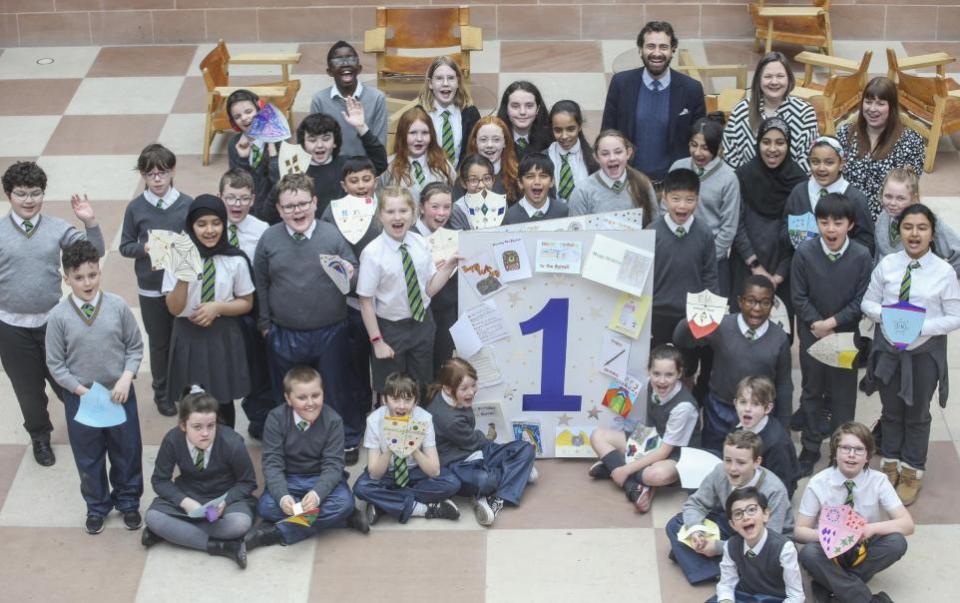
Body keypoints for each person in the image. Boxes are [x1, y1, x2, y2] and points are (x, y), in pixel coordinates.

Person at [254, 173, 363, 463]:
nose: (297, 211)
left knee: (336, 388)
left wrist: (351, 273)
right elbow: (261, 284)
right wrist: (265, 326)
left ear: (315, 203)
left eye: (303, 203)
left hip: (331, 331)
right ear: (278, 209)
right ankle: (290, 443)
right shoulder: (268, 240)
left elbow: (352, 274)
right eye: (289, 207)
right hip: (284, 333)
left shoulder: (331, 235)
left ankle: (347, 439)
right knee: (288, 393)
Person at [1, 161, 104, 466]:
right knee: (28, 391)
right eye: (21, 193)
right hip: (10, 326)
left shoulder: (58, 228)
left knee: (67, 381)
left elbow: (91, 255)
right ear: (9, 195)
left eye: (35, 193)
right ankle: (40, 437)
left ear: (43, 194)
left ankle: (89, 426)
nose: (29, 200)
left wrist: (91, 222)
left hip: (53, 321)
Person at [860, 204, 960, 505]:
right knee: (891, 410)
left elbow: (955, 315)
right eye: (908, 227)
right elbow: (868, 303)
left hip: (923, 353)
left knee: (916, 414)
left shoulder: (943, 271)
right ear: (899, 231)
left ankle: (912, 469)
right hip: (889, 350)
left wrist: (919, 327)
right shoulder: (888, 265)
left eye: (922, 228)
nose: (914, 234)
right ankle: (889, 463)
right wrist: (890, 317)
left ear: (932, 233)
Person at [45, 240, 143, 535]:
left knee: (127, 451)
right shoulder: (58, 317)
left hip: (119, 393)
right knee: (88, 456)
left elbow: (135, 347)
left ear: (100, 272)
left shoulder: (117, 306)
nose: (86, 282)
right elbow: (55, 364)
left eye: (92, 275)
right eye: (78, 277)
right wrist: (79, 391)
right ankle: (97, 506)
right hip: (83, 398)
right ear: (66, 279)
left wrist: (127, 377)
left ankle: (128, 502)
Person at [792, 193, 872, 476]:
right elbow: (798, 296)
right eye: (824, 222)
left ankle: (841, 452)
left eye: (838, 222)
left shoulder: (862, 255)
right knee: (812, 391)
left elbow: (861, 299)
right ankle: (810, 447)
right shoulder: (804, 252)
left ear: (850, 225)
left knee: (843, 396)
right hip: (812, 333)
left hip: (844, 336)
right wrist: (817, 323)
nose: (830, 229)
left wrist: (833, 322)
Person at [245, 367, 369, 551]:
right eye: (301, 398)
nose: (310, 403)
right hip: (290, 479)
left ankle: (278, 532)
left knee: (344, 502)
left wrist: (317, 494)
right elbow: (272, 464)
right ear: (288, 399)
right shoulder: (276, 418)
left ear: (323, 394)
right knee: (266, 507)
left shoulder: (333, 420)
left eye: (316, 395)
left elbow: (333, 466)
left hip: (320, 478)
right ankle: (342, 520)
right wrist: (283, 497)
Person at [358, 186, 459, 398]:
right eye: (390, 212)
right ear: (380, 215)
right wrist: (377, 341)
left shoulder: (420, 243)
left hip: (422, 324)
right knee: (392, 389)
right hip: (390, 329)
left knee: (422, 387)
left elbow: (429, 289)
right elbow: (366, 302)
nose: (397, 217)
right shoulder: (372, 254)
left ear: (413, 213)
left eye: (403, 211)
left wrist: (449, 266)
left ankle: (419, 428)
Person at [163, 195, 254, 429]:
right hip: (188, 334)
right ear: (191, 227)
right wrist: (184, 275)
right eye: (201, 224)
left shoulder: (235, 259)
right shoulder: (177, 256)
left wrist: (218, 307)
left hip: (222, 334)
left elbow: (246, 302)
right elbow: (174, 308)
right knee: (191, 400)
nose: (210, 230)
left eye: (216, 223)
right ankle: (193, 451)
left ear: (224, 224)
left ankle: (225, 447)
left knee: (222, 399)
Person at [795, 422, 913, 602]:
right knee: (808, 554)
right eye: (845, 448)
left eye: (859, 449)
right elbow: (800, 531)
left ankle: (831, 584)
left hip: (863, 545)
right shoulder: (818, 483)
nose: (851, 455)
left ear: (867, 456)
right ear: (835, 452)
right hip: (830, 550)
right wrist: (831, 535)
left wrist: (871, 529)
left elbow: (907, 525)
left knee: (897, 542)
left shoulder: (878, 481)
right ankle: (864, 597)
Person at [674, 275, 793, 452]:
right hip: (720, 410)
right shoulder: (722, 326)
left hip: (757, 416)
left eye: (765, 303)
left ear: (772, 305)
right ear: (739, 301)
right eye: (751, 301)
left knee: (749, 464)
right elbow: (681, 340)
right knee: (712, 457)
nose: (757, 309)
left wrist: (784, 426)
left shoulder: (779, 338)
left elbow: (783, 384)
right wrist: (690, 320)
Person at [142, 387, 257, 569]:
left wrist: (225, 502)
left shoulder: (232, 443)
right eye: (197, 427)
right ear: (183, 425)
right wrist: (184, 501)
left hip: (224, 499)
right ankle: (221, 546)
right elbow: (160, 480)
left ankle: (175, 532)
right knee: (153, 517)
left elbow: (248, 482)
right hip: (189, 494)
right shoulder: (173, 440)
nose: (205, 433)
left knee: (240, 524)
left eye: (211, 426)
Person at [666, 430, 793, 585]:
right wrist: (695, 531)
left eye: (741, 462)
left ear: (757, 462)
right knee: (675, 525)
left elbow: (768, 542)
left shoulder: (774, 489)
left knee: (764, 562)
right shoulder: (720, 471)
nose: (732, 468)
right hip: (733, 525)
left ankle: (710, 566)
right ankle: (723, 567)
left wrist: (719, 547)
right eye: (728, 460)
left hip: (766, 541)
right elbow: (695, 503)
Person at [119, 144, 191, 417]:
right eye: (151, 174)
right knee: (159, 342)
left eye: (162, 172)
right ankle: (162, 393)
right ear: (142, 176)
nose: (157, 179)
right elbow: (125, 246)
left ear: (172, 171)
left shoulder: (187, 204)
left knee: (183, 338)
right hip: (150, 286)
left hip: (180, 285)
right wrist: (145, 248)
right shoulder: (136, 208)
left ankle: (185, 389)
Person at [588, 345, 698, 513]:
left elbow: (663, 452)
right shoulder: (649, 384)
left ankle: (614, 466)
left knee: (655, 476)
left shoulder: (684, 406)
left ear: (680, 373)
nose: (661, 380)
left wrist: (625, 469)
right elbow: (622, 392)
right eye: (656, 374)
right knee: (597, 436)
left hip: (676, 453)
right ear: (649, 371)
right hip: (651, 439)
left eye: (669, 374)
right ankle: (633, 486)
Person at [429, 358, 537, 527]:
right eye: (464, 388)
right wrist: (483, 438)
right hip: (459, 463)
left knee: (527, 449)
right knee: (486, 481)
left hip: (477, 449)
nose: (471, 392)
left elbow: (476, 442)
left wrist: (483, 441)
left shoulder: (451, 396)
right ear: (448, 389)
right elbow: (473, 441)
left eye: (473, 385)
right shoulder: (447, 418)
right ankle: (508, 486)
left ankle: (513, 476)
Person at [601, 20, 706, 185]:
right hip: (629, 183)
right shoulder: (621, 84)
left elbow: (700, 140)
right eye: (651, 46)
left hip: (673, 186)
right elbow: (607, 132)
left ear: (672, 51)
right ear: (640, 50)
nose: (657, 53)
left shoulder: (691, 89)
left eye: (663, 47)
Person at [353, 372, 461, 525]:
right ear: (385, 400)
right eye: (395, 399)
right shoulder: (374, 420)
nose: (401, 406)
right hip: (388, 473)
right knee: (361, 488)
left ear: (415, 402)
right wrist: (390, 448)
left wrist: (414, 448)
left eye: (408, 400)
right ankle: (422, 508)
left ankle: (385, 504)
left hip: (417, 472)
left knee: (451, 483)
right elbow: (375, 474)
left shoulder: (424, 419)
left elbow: (434, 470)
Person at [730, 116, 807, 326]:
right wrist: (755, 265)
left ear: (789, 145)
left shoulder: (800, 183)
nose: (772, 149)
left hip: (783, 269)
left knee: (779, 335)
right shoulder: (743, 176)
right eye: (766, 142)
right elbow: (736, 224)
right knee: (740, 330)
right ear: (758, 144)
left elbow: (800, 237)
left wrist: (779, 275)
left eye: (780, 142)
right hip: (745, 265)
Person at [218, 168, 273, 438]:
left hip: (253, 310)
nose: (236, 204)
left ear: (252, 200)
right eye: (230, 198)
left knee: (258, 367)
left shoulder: (262, 231)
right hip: (222, 311)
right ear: (220, 198)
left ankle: (259, 416)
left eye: (242, 198)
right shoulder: (213, 229)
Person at [649, 168, 717, 382]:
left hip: (690, 318)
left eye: (689, 200)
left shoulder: (705, 233)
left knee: (686, 372)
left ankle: (689, 411)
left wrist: (707, 320)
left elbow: (710, 278)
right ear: (665, 198)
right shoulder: (651, 232)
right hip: (657, 316)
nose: (682, 206)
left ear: (697, 200)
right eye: (676, 199)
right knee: (658, 374)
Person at [669, 113, 740, 297]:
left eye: (705, 148)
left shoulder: (728, 178)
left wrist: (704, 258)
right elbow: (665, 210)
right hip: (676, 256)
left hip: (712, 262)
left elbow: (728, 228)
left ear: (718, 149)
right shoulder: (678, 166)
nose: (698, 153)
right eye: (693, 145)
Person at [838, 76, 926, 220]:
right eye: (868, 102)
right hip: (848, 216)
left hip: (890, 218)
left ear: (891, 107)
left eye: (880, 103)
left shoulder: (911, 141)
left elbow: (910, 190)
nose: (872, 109)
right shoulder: (845, 134)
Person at [722, 52, 819, 173]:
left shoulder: (805, 112)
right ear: (758, 79)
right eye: (768, 76)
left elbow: (808, 161)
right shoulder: (741, 111)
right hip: (748, 185)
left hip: (791, 187)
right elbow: (731, 159)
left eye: (780, 76)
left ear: (789, 78)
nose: (774, 82)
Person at [783, 135, 875, 257]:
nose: (821, 168)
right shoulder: (799, 192)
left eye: (829, 162)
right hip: (805, 266)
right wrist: (798, 236)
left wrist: (837, 250)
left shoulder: (855, 198)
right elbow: (784, 229)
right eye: (815, 162)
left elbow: (867, 242)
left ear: (841, 163)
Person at [712, 487, 805, 603]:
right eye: (738, 514)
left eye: (751, 510)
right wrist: (726, 600)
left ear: (765, 514)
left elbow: (796, 595)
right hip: (745, 595)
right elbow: (726, 584)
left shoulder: (784, 548)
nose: (745, 517)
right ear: (732, 525)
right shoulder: (731, 546)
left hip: (775, 598)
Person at [297, 100, 387, 217]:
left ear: (335, 142)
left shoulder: (345, 164)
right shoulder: (296, 170)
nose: (319, 145)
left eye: (326, 139)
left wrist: (361, 127)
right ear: (303, 144)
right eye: (312, 140)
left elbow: (380, 163)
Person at [875, 166, 960, 276]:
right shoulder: (883, 217)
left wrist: (941, 278)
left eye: (900, 198)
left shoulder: (928, 222)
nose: (892, 203)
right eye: (888, 196)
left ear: (913, 198)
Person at [309, 41, 388, 158]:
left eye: (351, 58)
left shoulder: (376, 98)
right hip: (333, 170)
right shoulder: (319, 100)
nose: (345, 63)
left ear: (359, 69)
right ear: (329, 72)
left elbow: (380, 144)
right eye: (338, 60)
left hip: (366, 170)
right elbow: (317, 145)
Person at [413, 182, 460, 374]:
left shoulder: (455, 234)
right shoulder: (409, 236)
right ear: (422, 207)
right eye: (435, 207)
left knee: (442, 367)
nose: (441, 214)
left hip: (446, 313)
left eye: (446, 207)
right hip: (418, 317)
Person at [567, 129, 658, 226]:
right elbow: (576, 234)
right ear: (596, 157)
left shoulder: (643, 184)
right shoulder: (582, 191)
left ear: (628, 153)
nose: (612, 158)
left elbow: (655, 225)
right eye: (605, 154)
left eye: (618, 152)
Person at [733, 376, 799, 498]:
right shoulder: (737, 426)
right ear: (735, 403)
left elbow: (783, 485)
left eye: (755, 404)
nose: (747, 409)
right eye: (743, 402)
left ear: (767, 408)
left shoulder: (776, 443)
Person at [226, 89, 280, 224]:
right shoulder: (234, 144)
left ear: (259, 110)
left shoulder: (278, 139)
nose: (244, 118)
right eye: (237, 117)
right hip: (248, 213)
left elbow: (280, 183)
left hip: (275, 212)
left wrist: (273, 157)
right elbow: (239, 184)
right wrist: (243, 159)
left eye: (248, 112)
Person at [379, 106, 455, 201]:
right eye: (413, 133)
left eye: (425, 133)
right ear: (402, 135)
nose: (419, 139)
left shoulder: (443, 165)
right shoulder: (389, 166)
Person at [418, 56, 480, 167]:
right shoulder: (419, 114)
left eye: (451, 78)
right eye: (439, 78)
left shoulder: (470, 113)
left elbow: (475, 152)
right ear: (430, 83)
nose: (445, 83)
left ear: (458, 82)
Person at [547, 100, 598, 204]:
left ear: (579, 127)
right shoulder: (542, 158)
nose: (564, 136)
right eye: (558, 130)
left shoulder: (594, 158)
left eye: (570, 129)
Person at [464, 117, 519, 202]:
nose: (489, 145)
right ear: (474, 142)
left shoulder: (516, 176)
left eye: (496, 140)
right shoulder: (464, 176)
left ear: (505, 142)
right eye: (483, 139)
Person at [502, 153, 568, 224]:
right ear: (520, 183)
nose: (537, 182)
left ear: (552, 181)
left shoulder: (563, 211)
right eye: (530, 177)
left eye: (543, 176)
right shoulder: (509, 217)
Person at [496, 80, 552, 156]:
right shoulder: (494, 140)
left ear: (538, 109)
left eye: (529, 106)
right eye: (515, 106)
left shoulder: (552, 140)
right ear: (506, 108)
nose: (522, 112)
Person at [448, 154, 497, 230]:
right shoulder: (456, 211)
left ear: (493, 180)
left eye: (487, 178)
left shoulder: (500, 203)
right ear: (464, 183)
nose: (481, 185)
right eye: (474, 180)